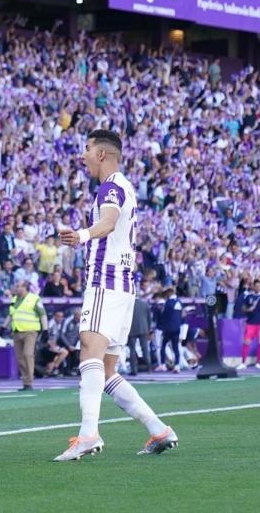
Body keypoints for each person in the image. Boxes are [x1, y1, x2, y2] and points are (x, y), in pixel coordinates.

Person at [56, 129, 177, 461]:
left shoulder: (110, 187)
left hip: (106, 282)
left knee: (89, 355)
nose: (82, 156)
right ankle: (158, 429)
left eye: (86, 149)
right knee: (107, 371)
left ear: (100, 155)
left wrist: (81, 235)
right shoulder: (127, 187)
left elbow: (107, 222)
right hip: (125, 286)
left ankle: (87, 434)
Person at [8, 280, 48, 391]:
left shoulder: (34, 298)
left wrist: (45, 329)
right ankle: (25, 382)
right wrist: (3, 326)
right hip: (16, 331)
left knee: (27, 354)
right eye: (16, 286)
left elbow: (42, 314)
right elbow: (11, 315)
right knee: (20, 358)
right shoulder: (14, 299)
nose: (17, 288)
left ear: (25, 287)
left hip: (30, 331)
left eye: (19, 286)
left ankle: (30, 381)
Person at [237, 280, 260, 370]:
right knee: (246, 343)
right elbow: (243, 308)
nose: (258, 287)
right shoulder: (248, 296)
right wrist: (248, 310)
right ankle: (243, 363)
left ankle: (258, 363)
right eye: (256, 286)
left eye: (259, 286)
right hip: (250, 324)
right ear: (253, 286)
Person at [157, 288, 184, 372]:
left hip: (168, 328)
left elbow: (164, 315)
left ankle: (162, 364)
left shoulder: (168, 303)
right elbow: (182, 315)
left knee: (163, 346)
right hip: (177, 327)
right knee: (175, 347)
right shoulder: (180, 302)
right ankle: (177, 365)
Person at [128, 294, 152, 375]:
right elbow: (149, 317)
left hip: (132, 329)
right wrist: (148, 329)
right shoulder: (145, 304)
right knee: (145, 348)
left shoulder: (128, 304)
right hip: (143, 328)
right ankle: (149, 367)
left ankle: (134, 370)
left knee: (132, 350)